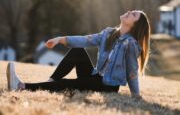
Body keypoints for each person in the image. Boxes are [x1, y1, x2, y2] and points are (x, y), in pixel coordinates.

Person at [6, 10, 151, 99]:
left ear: (135, 26)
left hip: (107, 85)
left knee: (69, 84)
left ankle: (21, 86)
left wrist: (136, 94)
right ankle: (51, 82)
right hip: (95, 75)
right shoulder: (109, 34)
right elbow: (85, 40)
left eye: (133, 15)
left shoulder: (130, 44)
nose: (129, 12)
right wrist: (60, 39)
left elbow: (132, 70)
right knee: (78, 50)